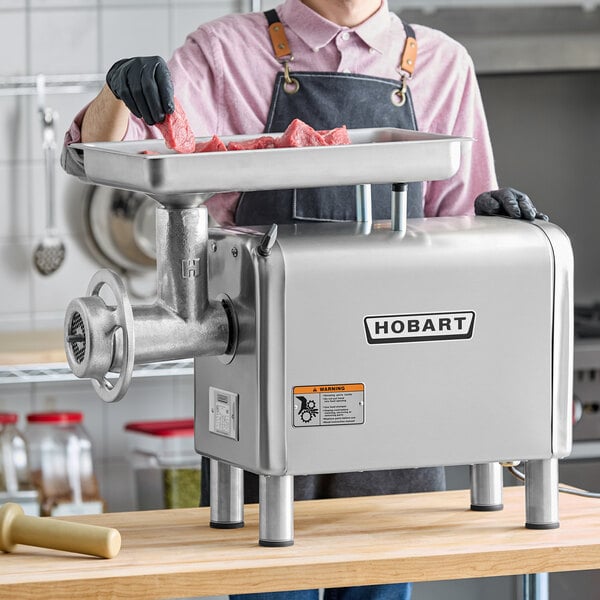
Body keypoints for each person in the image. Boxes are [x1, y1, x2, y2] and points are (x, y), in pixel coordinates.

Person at [62, 1, 546, 598]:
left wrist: (491, 222)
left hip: (397, 390)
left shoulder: (443, 63)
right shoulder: (222, 52)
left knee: (380, 584)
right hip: (262, 379)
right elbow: (103, 148)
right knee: (270, 579)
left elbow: (461, 230)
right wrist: (117, 92)